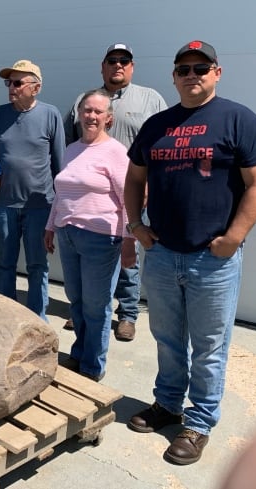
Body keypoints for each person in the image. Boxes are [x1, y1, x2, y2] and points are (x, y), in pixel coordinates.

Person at [125, 40, 256, 465]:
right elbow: (134, 178)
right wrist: (136, 225)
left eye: (201, 68)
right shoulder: (157, 125)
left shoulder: (239, 120)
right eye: (184, 68)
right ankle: (169, 404)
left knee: (209, 345)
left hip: (213, 260)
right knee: (168, 339)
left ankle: (199, 422)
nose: (193, 75)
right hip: (164, 253)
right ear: (174, 76)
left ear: (217, 73)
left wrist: (233, 238)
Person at [63, 43, 167, 341]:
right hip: (92, 196)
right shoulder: (86, 100)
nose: (118, 65)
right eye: (112, 60)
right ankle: (88, 310)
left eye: (124, 60)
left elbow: (162, 144)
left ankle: (128, 314)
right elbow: (74, 144)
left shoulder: (150, 99)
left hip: (134, 189)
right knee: (91, 257)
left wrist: (150, 184)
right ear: (103, 66)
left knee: (127, 251)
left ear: (132, 66)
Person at [44, 89, 133, 381]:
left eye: (98, 112)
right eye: (87, 110)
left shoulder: (116, 152)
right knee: (77, 300)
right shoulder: (72, 149)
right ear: (79, 113)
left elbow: (129, 199)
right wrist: (50, 226)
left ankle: (93, 368)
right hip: (68, 235)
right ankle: (80, 353)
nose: (91, 116)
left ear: (109, 118)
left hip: (101, 238)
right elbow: (61, 193)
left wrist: (129, 239)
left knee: (97, 305)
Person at [0, 59, 65, 320]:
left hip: (39, 206)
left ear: (36, 87)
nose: (12, 87)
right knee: (4, 264)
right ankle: (4, 317)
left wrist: (58, 208)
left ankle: (37, 319)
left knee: (37, 266)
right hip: (4, 206)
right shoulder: (0, 114)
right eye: (9, 82)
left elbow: (59, 165)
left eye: (18, 82)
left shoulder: (50, 114)